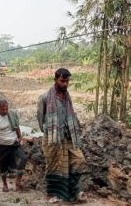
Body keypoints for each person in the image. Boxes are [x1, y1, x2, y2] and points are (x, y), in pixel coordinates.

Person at [36, 68, 87, 203]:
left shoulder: (67, 97)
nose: (65, 84)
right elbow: (40, 119)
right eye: (62, 81)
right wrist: (51, 133)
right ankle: (50, 194)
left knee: (79, 160)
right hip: (52, 139)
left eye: (67, 81)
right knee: (53, 166)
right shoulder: (45, 97)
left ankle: (71, 190)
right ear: (55, 80)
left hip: (68, 136)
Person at [0, 100, 29, 192]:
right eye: (3, 109)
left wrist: (19, 136)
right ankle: (4, 184)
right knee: (3, 165)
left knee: (23, 158)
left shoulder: (11, 115)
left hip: (14, 143)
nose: (5, 111)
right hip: (2, 146)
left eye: (6, 109)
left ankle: (18, 182)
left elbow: (16, 126)